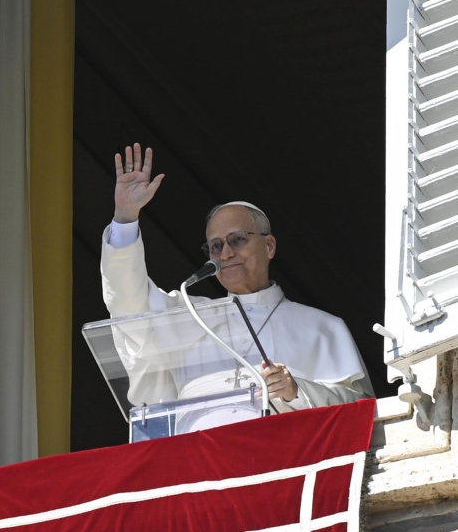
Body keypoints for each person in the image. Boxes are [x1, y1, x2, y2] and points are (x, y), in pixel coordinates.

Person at [102, 143, 373, 412]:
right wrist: (125, 218)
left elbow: (360, 411)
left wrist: (296, 391)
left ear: (269, 246)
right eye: (216, 246)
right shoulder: (189, 316)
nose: (226, 253)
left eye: (238, 239)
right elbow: (128, 302)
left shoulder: (321, 327)